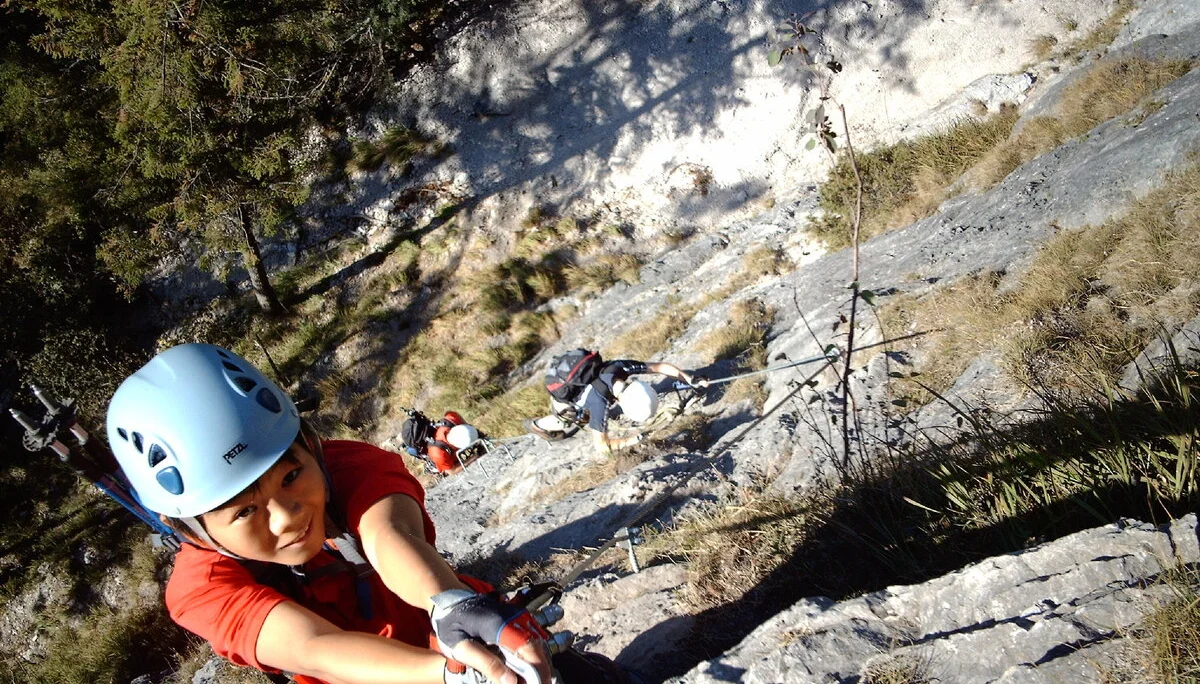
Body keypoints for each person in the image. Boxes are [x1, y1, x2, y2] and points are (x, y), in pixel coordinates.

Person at [105, 343, 559, 684]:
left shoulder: (348, 466)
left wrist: (451, 604)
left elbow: (388, 533)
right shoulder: (201, 589)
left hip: (461, 634)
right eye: (244, 512)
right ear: (189, 530)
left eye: (289, 476)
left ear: (311, 444)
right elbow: (313, 647)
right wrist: (447, 674)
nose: (285, 517)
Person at [525, 351, 707, 453]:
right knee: (567, 419)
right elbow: (602, 446)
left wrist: (690, 379)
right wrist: (632, 440)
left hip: (586, 384)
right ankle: (536, 425)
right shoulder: (599, 402)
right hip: (565, 402)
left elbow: (659, 367)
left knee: (590, 415)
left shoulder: (620, 367)